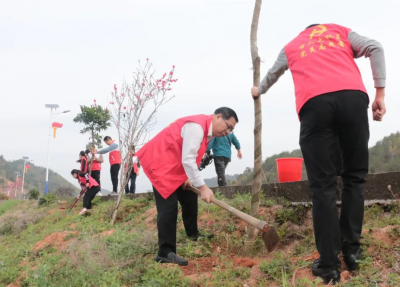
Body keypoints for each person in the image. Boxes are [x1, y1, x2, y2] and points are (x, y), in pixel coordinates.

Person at [251, 24, 386, 284]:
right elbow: (375, 47)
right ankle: (353, 251)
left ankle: (328, 265)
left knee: (323, 186)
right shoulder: (339, 32)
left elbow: (271, 75)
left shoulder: (292, 46)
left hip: (315, 104)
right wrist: (380, 94)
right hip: (353, 98)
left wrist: (259, 90)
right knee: (355, 176)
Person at [136, 107, 239, 266]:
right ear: (218, 117)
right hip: (161, 165)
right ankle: (165, 252)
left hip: (174, 167)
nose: (228, 132)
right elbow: (188, 159)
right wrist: (203, 187)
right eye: (228, 127)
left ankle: (193, 233)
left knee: (189, 196)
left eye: (231, 130)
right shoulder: (197, 127)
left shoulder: (208, 132)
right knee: (168, 207)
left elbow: (188, 156)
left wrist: (186, 177)